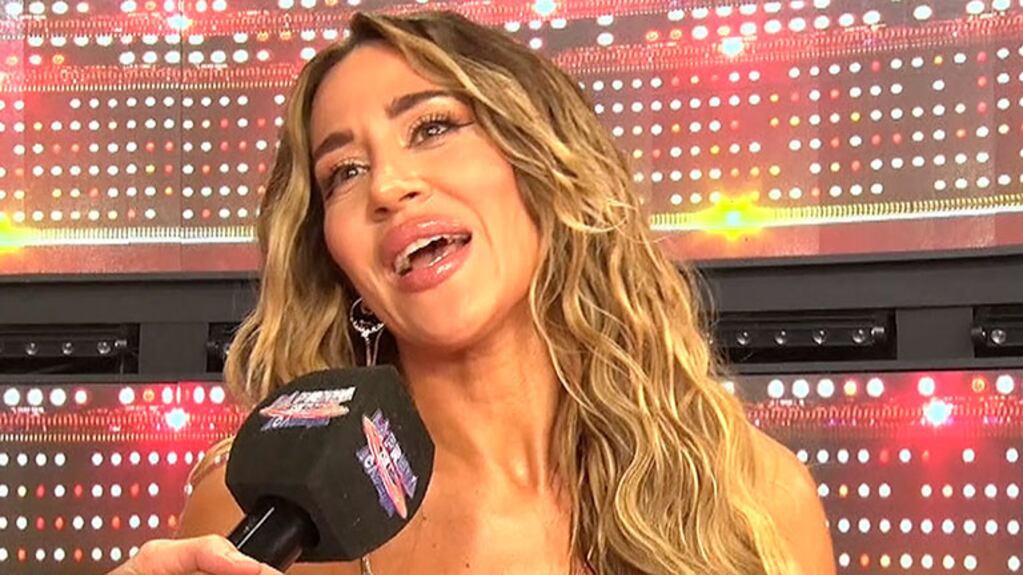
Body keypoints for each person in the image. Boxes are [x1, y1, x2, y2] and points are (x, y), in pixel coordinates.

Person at [109, 10, 834, 575]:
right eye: (344, 172)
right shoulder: (252, 519)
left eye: (432, 127)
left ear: (544, 164)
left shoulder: (755, 498)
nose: (388, 186)